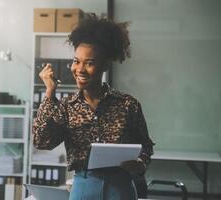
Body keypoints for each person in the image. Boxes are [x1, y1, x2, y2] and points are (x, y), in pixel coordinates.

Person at [32, 13, 155, 200]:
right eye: (76, 61)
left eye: (89, 63)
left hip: (120, 188)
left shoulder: (128, 105)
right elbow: (41, 142)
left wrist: (141, 163)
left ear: (105, 65)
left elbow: (145, 145)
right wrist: (49, 93)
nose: (79, 69)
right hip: (83, 187)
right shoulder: (66, 106)